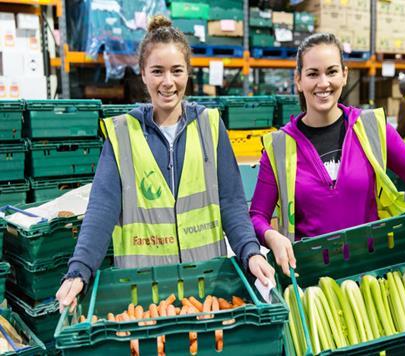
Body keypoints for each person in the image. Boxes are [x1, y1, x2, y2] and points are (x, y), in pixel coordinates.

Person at [56, 15, 274, 312]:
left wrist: (251, 252)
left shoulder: (210, 126)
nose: (167, 82)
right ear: (143, 74)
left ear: (188, 73)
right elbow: (101, 210)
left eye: (176, 71)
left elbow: (232, 203)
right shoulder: (122, 134)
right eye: (157, 71)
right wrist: (78, 271)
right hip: (143, 298)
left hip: (205, 292)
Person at [249, 33, 405, 276]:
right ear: (298, 80)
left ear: (345, 75)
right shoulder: (278, 148)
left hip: (375, 274)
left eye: (332, 71)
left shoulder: (371, 128)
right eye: (313, 73)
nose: (323, 82)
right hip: (312, 282)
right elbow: (257, 216)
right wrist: (270, 236)